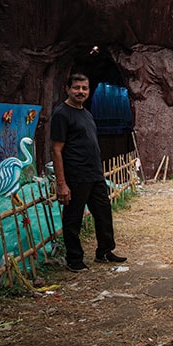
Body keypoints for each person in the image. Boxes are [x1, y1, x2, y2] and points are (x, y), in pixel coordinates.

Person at [50, 73, 125, 271]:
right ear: (67, 89)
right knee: (73, 218)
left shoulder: (86, 112)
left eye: (84, 88)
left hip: (94, 174)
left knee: (103, 213)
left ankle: (105, 251)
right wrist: (61, 183)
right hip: (76, 175)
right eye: (76, 88)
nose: (80, 91)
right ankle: (74, 260)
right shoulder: (61, 114)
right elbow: (56, 149)